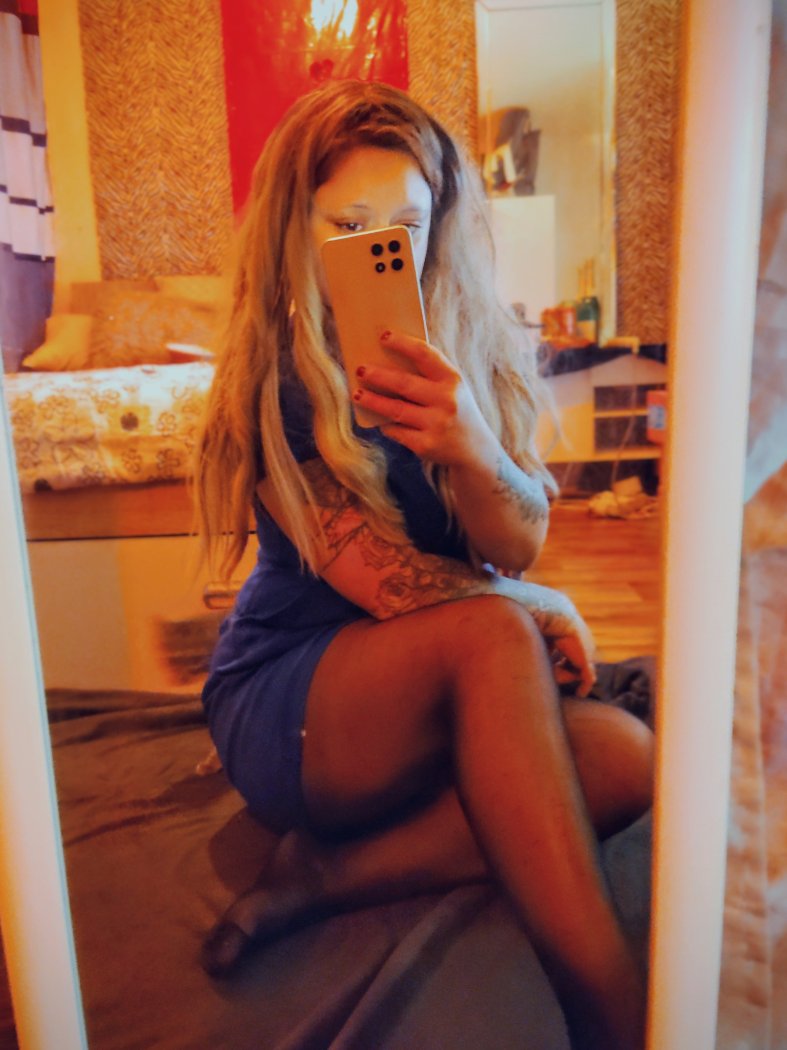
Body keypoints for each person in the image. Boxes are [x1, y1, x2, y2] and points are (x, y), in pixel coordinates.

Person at [194, 79, 653, 1050]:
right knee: (493, 632)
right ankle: (611, 1018)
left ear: (438, 226)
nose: (378, 249)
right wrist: (533, 605)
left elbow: (516, 541)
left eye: (403, 225)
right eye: (346, 225)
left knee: (626, 759)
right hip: (302, 696)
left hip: (438, 690)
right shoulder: (279, 377)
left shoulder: (466, 350)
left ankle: (325, 876)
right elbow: (397, 591)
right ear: (294, 229)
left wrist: (472, 444)